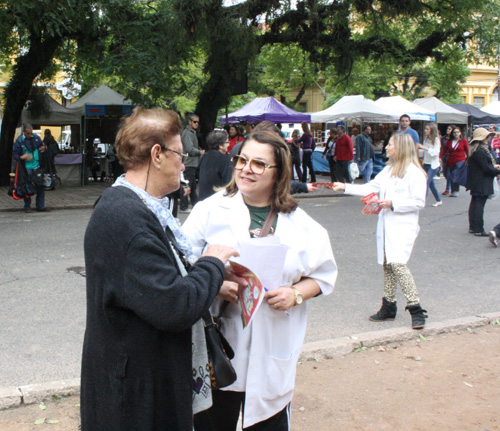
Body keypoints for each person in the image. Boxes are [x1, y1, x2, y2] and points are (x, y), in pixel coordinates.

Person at [80, 107, 240, 431]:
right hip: (135, 397)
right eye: (180, 155)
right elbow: (175, 305)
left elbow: (156, 277)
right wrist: (212, 261)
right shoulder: (126, 219)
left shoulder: (134, 206)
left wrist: (212, 281)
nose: (183, 164)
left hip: (137, 378)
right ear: (157, 154)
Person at [183, 130, 337, 431]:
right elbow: (180, 263)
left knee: (269, 420)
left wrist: (295, 294)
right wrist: (215, 283)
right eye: (242, 160)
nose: (246, 169)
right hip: (220, 349)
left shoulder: (301, 224)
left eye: (259, 164)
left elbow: (324, 275)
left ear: (278, 172)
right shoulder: (210, 211)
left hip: (273, 345)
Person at [333, 133, 428, 330]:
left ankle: (416, 308)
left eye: (390, 144)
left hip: (403, 226)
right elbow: (370, 188)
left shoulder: (414, 173)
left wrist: (393, 203)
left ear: (400, 147)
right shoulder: (388, 170)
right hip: (386, 225)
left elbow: (419, 202)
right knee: (388, 265)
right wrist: (344, 187)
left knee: (398, 264)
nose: (386, 147)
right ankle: (389, 306)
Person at [465, 127, 500, 236]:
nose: (488, 139)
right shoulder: (480, 151)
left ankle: (473, 227)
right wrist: (497, 171)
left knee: (475, 204)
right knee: (479, 205)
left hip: (477, 181)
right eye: (486, 137)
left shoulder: (475, 150)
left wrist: (493, 168)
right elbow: (486, 168)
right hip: (482, 181)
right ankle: (478, 229)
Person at [12, 124, 49, 213]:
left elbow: (43, 145)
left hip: (37, 165)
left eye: (31, 133)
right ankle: (27, 206)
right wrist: (22, 157)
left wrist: (44, 148)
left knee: (40, 186)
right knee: (27, 187)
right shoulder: (19, 141)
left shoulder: (36, 138)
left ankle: (40, 206)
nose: (30, 135)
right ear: (24, 132)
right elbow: (15, 155)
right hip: (26, 167)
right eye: (28, 133)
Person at [198, 129, 233, 200]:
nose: (229, 144)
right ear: (220, 145)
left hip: (203, 199)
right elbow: (228, 183)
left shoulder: (204, 157)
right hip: (217, 200)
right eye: (227, 142)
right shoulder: (225, 159)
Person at [180, 113, 204, 213]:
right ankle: (184, 207)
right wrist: (200, 152)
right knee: (187, 185)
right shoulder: (187, 133)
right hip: (188, 163)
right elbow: (189, 149)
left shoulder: (192, 132)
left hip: (192, 163)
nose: (196, 124)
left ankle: (195, 204)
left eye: (198, 122)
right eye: (194, 122)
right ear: (190, 122)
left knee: (192, 186)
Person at [417, 123, 442, 207]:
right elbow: (424, 152)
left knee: (426, 182)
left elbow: (435, 152)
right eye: (425, 129)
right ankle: (438, 200)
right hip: (426, 163)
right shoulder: (426, 138)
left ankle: (422, 201)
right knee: (431, 183)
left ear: (432, 130)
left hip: (433, 165)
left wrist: (424, 147)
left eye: (427, 129)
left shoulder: (436, 139)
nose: (425, 130)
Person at [440, 126, 469, 197]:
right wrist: (440, 157)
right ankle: (453, 191)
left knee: (454, 175)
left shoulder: (464, 141)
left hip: (460, 161)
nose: (456, 133)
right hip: (451, 162)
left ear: (460, 133)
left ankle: (456, 191)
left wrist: (468, 159)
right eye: (455, 132)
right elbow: (445, 150)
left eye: (458, 132)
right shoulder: (450, 141)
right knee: (450, 176)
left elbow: (467, 151)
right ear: (452, 133)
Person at [440, 125, 456, 195]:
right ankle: (452, 183)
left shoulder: (454, 139)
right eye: (447, 129)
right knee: (445, 172)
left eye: (449, 129)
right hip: (444, 157)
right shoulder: (443, 138)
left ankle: (448, 188)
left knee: (449, 173)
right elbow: (441, 147)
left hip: (451, 157)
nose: (448, 130)